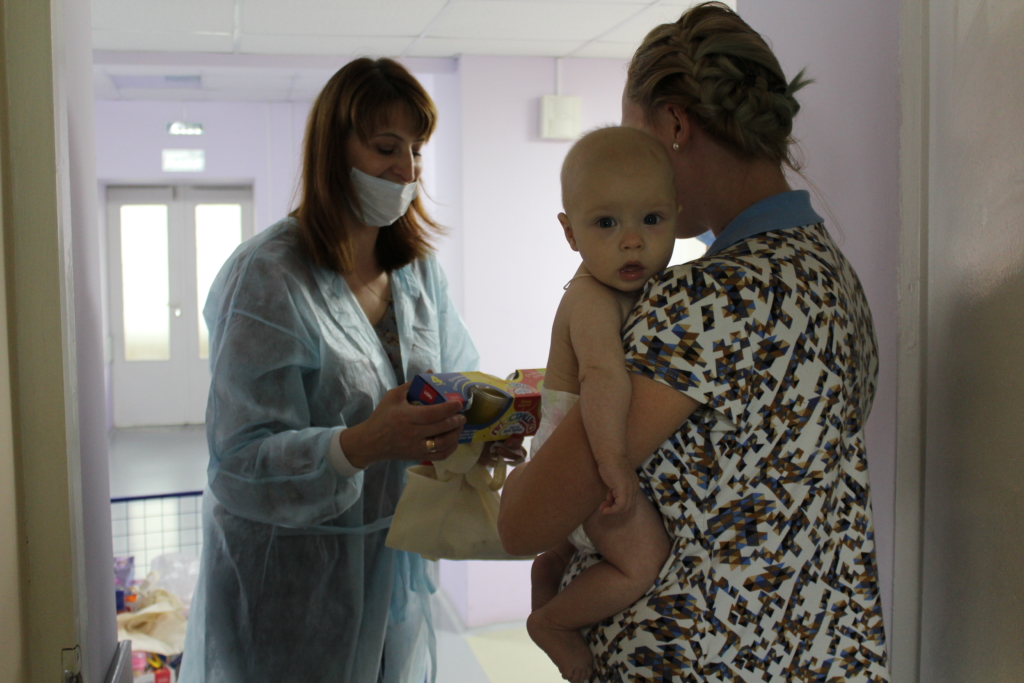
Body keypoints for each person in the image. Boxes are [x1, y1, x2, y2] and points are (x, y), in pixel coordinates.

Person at [499, 3, 892, 682]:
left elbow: (525, 522)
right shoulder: (833, 277)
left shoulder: (705, 299)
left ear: (675, 126)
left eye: (634, 143)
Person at [179, 58, 521, 683]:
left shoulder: (416, 273)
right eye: (386, 148)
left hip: (394, 574)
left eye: (416, 150)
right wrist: (360, 445)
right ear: (333, 152)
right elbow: (239, 462)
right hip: (291, 583)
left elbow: (456, 380)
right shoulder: (268, 276)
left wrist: (485, 427)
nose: (407, 170)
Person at [526, 126, 675, 683]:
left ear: (678, 216)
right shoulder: (592, 295)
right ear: (570, 232)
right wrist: (613, 462)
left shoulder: (636, 289)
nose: (631, 241)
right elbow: (602, 377)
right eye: (606, 223)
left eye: (651, 219)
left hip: (575, 435)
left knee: (563, 553)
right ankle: (553, 625)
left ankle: (548, 577)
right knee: (641, 561)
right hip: (588, 445)